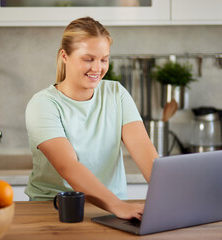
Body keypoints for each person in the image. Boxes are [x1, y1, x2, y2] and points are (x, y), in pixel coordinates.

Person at [25, 16, 158, 220]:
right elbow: (68, 167)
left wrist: (171, 195)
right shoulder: (43, 104)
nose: (97, 68)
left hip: (116, 211)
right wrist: (118, 206)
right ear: (65, 56)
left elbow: (143, 148)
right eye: (88, 59)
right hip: (57, 211)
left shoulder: (116, 93)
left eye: (104, 59)